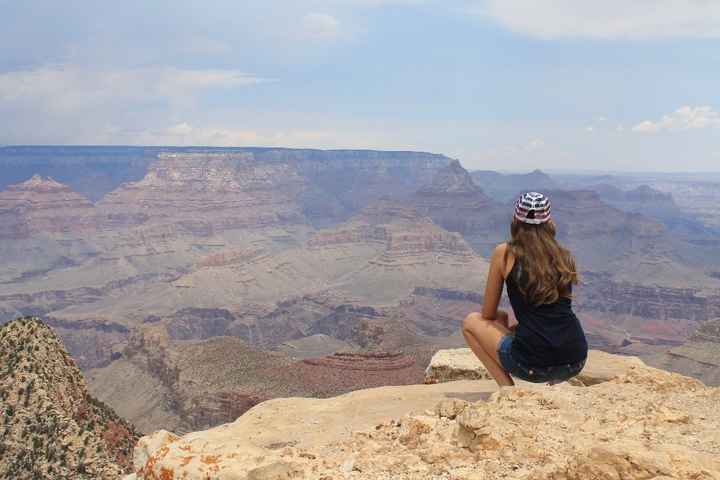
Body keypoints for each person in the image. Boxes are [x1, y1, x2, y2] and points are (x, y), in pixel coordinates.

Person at [462, 192, 588, 387]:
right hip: (575, 359)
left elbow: (487, 313)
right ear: (549, 222)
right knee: (504, 317)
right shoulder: (563, 255)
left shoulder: (504, 253)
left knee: (471, 322)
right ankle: (554, 385)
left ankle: (508, 390)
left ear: (515, 220)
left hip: (532, 365)